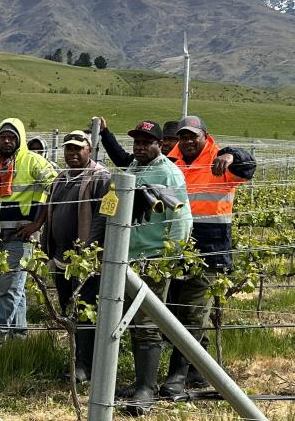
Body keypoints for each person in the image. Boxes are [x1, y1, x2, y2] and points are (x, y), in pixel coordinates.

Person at [161, 115, 255, 397]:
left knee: (190, 314)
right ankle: (200, 371)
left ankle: (177, 377)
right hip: (173, 250)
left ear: (205, 136)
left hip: (209, 251)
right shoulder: (171, 161)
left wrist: (232, 154)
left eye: (193, 136)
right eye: (184, 136)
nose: (188, 141)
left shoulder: (220, 162)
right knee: (171, 313)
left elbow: (248, 167)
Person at [118, 120, 193, 416]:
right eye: (136, 142)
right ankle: (140, 382)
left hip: (152, 256)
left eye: (145, 142)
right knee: (132, 322)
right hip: (129, 256)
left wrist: (167, 256)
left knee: (147, 323)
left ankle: (146, 390)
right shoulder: (133, 169)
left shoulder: (168, 172)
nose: (139, 147)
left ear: (159, 145)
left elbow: (182, 220)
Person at [42, 130, 111, 383]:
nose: (71, 154)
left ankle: (86, 366)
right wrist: (45, 245)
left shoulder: (100, 178)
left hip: (85, 262)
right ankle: (76, 360)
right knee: (69, 308)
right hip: (61, 258)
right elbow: (50, 214)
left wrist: (87, 248)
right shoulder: (60, 179)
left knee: (84, 311)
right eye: (68, 149)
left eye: (77, 149)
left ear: (89, 150)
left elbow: (103, 216)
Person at [0, 118, 57, 339]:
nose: (6, 141)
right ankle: (19, 338)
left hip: (21, 237)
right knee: (14, 290)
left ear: (20, 140)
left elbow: (56, 189)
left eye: (11, 137)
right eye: (2, 137)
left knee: (9, 292)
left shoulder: (34, 162)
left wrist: (38, 223)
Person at [100, 118, 183, 168]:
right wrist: (105, 132)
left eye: (171, 139)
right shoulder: (138, 162)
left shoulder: (171, 170)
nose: (166, 143)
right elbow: (121, 158)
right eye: (137, 142)